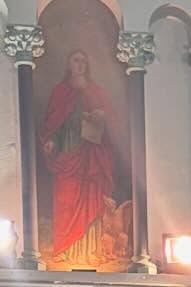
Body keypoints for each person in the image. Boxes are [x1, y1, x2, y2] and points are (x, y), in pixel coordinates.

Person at [41, 49, 129, 270]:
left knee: (91, 200)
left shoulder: (96, 92)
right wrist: (51, 140)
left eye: (84, 61)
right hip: (68, 153)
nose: (80, 65)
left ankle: (91, 251)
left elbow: (113, 123)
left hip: (92, 155)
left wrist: (101, 117)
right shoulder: (60, 92)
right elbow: (52, 123)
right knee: (66, 201)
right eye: (76, 60)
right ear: (68, 64)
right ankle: (64, 250)